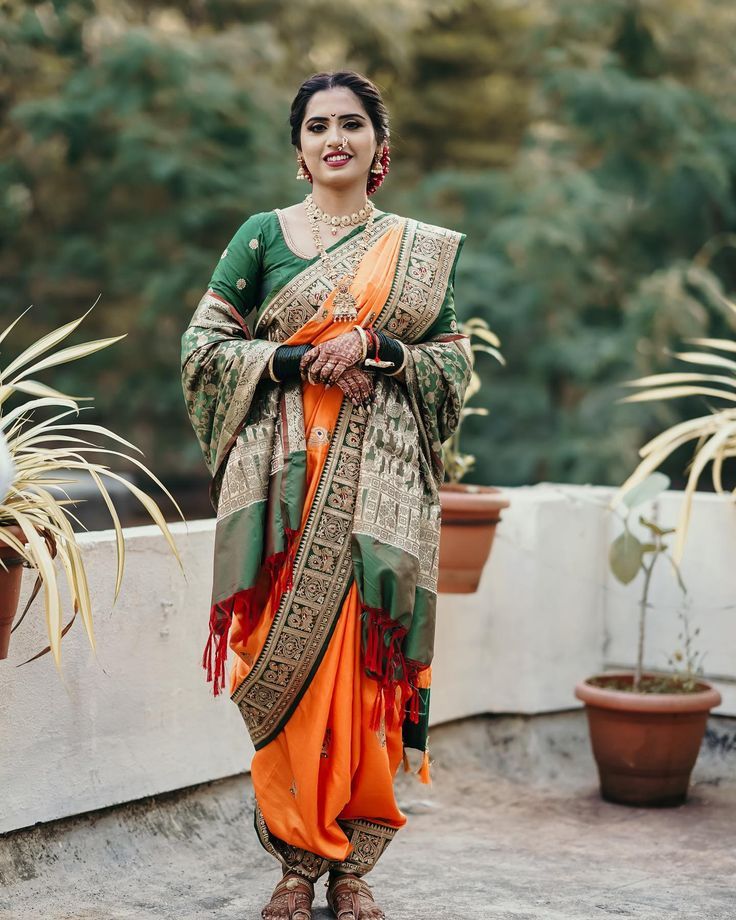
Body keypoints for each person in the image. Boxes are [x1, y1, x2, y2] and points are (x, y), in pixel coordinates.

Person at [181, 70, 472, 920]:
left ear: (380, 148)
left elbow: (452, 365)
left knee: (365, 674)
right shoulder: (260, 237)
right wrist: (294, 360)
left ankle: (352, 869)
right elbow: (203, 350)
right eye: (318, 126)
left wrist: (381, 347)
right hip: (279, 497)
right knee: (279, 666)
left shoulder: (416, 253)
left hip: (374, 500)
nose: (334, 137)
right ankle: (293, 864)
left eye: (352, 124)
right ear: (299, 149)